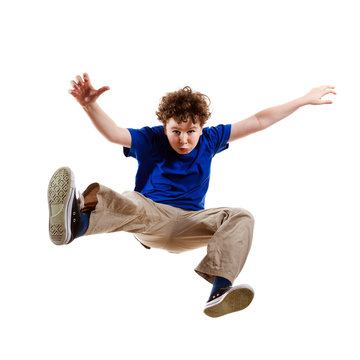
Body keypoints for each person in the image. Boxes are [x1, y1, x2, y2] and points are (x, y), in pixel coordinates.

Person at [47, 73, 336, 317]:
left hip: (190, 224)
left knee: (240, 216)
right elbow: (115, 134)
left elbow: (259, 121)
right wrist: (89, 106)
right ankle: (77, 224)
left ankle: (219, 290)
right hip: (150, 217)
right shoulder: (151, 139)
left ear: (201, 128)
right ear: (165, 126)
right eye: (175, 131)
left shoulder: (210, 139)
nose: (183, 140)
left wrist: (302, 100)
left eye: (191, 131)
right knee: (129, 199)